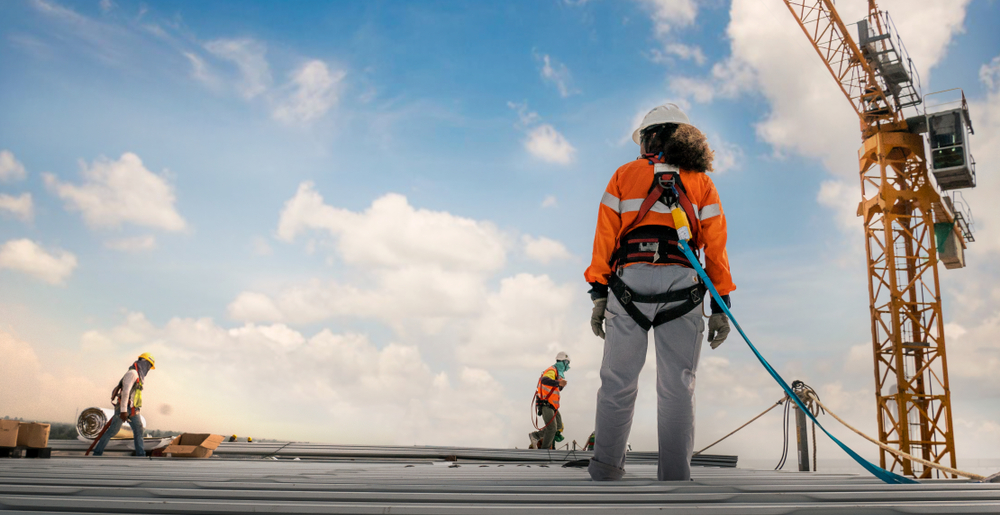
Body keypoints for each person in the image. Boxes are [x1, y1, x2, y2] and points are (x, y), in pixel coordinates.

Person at [585, 104, 734, 481]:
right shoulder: (700, 181)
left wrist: (599, 293)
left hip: (629, 284)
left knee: (617, 382)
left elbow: (604, 237)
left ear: (648, 137)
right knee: (678, 386)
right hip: (683, 285)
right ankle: (675, 478)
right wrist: (720, 304)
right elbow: (715, 247)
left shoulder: (623, 175)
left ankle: (604, 471)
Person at [92, 353, 155, 457]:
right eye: (148, 365)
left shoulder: (138, 375)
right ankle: (97, 453)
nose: (148, 369)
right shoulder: (133, 373)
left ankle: (141, 455)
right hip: (126, 408)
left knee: (139, 430)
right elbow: (125, 392)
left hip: (133, 409)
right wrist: (123, 411)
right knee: (112, 431)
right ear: (143, 362)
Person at [528, 352, 570, 450]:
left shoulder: (557, 374)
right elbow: (544, 380)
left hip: (553, 405)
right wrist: (559, 382)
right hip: (546, 404)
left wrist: (560, 385)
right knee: (551, 428)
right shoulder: (552, 370)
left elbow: (556, 389)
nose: (568, 366)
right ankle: (545, 449)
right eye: (567, 363)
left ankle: (536, 436)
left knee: (558, 427)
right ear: (563, 362)